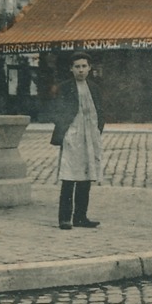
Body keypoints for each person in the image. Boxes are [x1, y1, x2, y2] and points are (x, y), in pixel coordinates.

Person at [51, 50, 104, 230]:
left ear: (89, 68)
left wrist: (97, 132)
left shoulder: (95, 88)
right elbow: (59, 111)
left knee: (86, 175)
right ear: (71, 69)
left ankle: (80, 216)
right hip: (72, 134)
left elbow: (100, 111)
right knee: (69, 175)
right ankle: (65, 218)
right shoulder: (65, 87)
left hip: (89, 135)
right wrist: (65, 133)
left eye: (84, 66)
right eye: (77, 67)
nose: (81, 70)